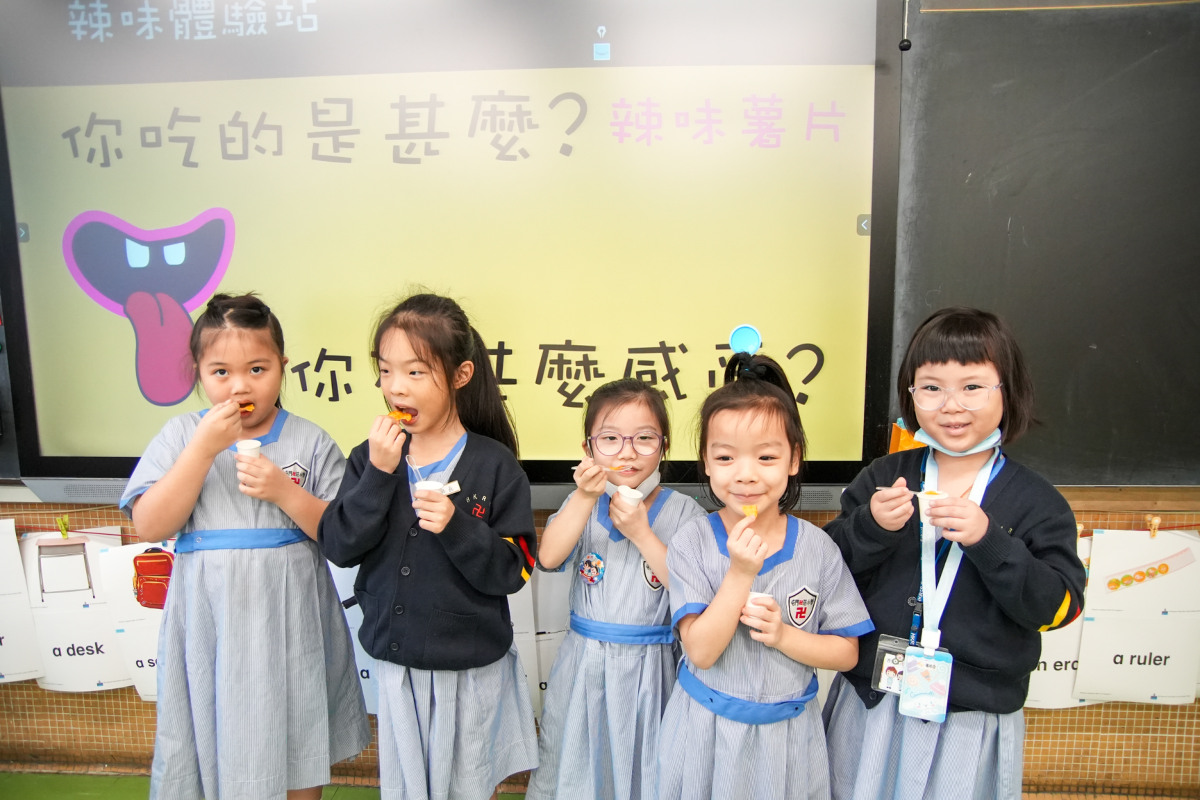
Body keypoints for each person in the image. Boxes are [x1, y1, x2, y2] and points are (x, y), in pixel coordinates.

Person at [822, 307, 1086, 800]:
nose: (951, 405)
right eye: (932, 387)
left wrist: (989, 540)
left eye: (972, 386)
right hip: (871, 699)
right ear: (911, 395)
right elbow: (825, 572)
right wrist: (870, 528)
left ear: (1008, 391)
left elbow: (1059, 608)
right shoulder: (883, 476)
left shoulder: (1038, 502)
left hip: (971, 715)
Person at [120, 293, 370, 800]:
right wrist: (203, 449)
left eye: (257, 369)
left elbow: (342, 534)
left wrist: (284, 491)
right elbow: (149, 524)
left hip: (292, 619)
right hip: (211, 619)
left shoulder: (310, 440)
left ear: (282, 365)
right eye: (221, 372)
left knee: (299, 728)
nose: (240, 386)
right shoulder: (181, 435)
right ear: (198, 373)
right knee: (216, 729)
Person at [318, 293, 538, 800]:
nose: (396, 387)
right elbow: (340, 546)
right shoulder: (370, 457)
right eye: (385, 370)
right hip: (399, 668)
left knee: (467, 788)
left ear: (461, 375)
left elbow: (516, 570)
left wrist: (457, 527)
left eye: (416, 372)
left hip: (471, 670)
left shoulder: (495, 464)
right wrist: (378, 474)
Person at [658, 353, 873, 800]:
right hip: (706, 731)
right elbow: (700, 651)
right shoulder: (692, 541)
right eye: (725, 457)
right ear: (706, 462)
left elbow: (846, 653)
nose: (746, 475)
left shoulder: (818, 548)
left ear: (794, 459)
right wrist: (740, 573)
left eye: (767, 456)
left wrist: (783, 636)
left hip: (788, 740)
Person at [527, 379, 706, 800]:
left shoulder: (686, 513)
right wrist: (583, 498)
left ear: (663, 446)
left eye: (644, 438)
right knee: (576, 764)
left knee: (647, 766)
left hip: (654, 669)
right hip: (584, 665)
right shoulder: (582, 504)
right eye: (610, 439)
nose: (627, 452)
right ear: (588, 449)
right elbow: (548, 557)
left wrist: (643, 533)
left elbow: (695, 589)